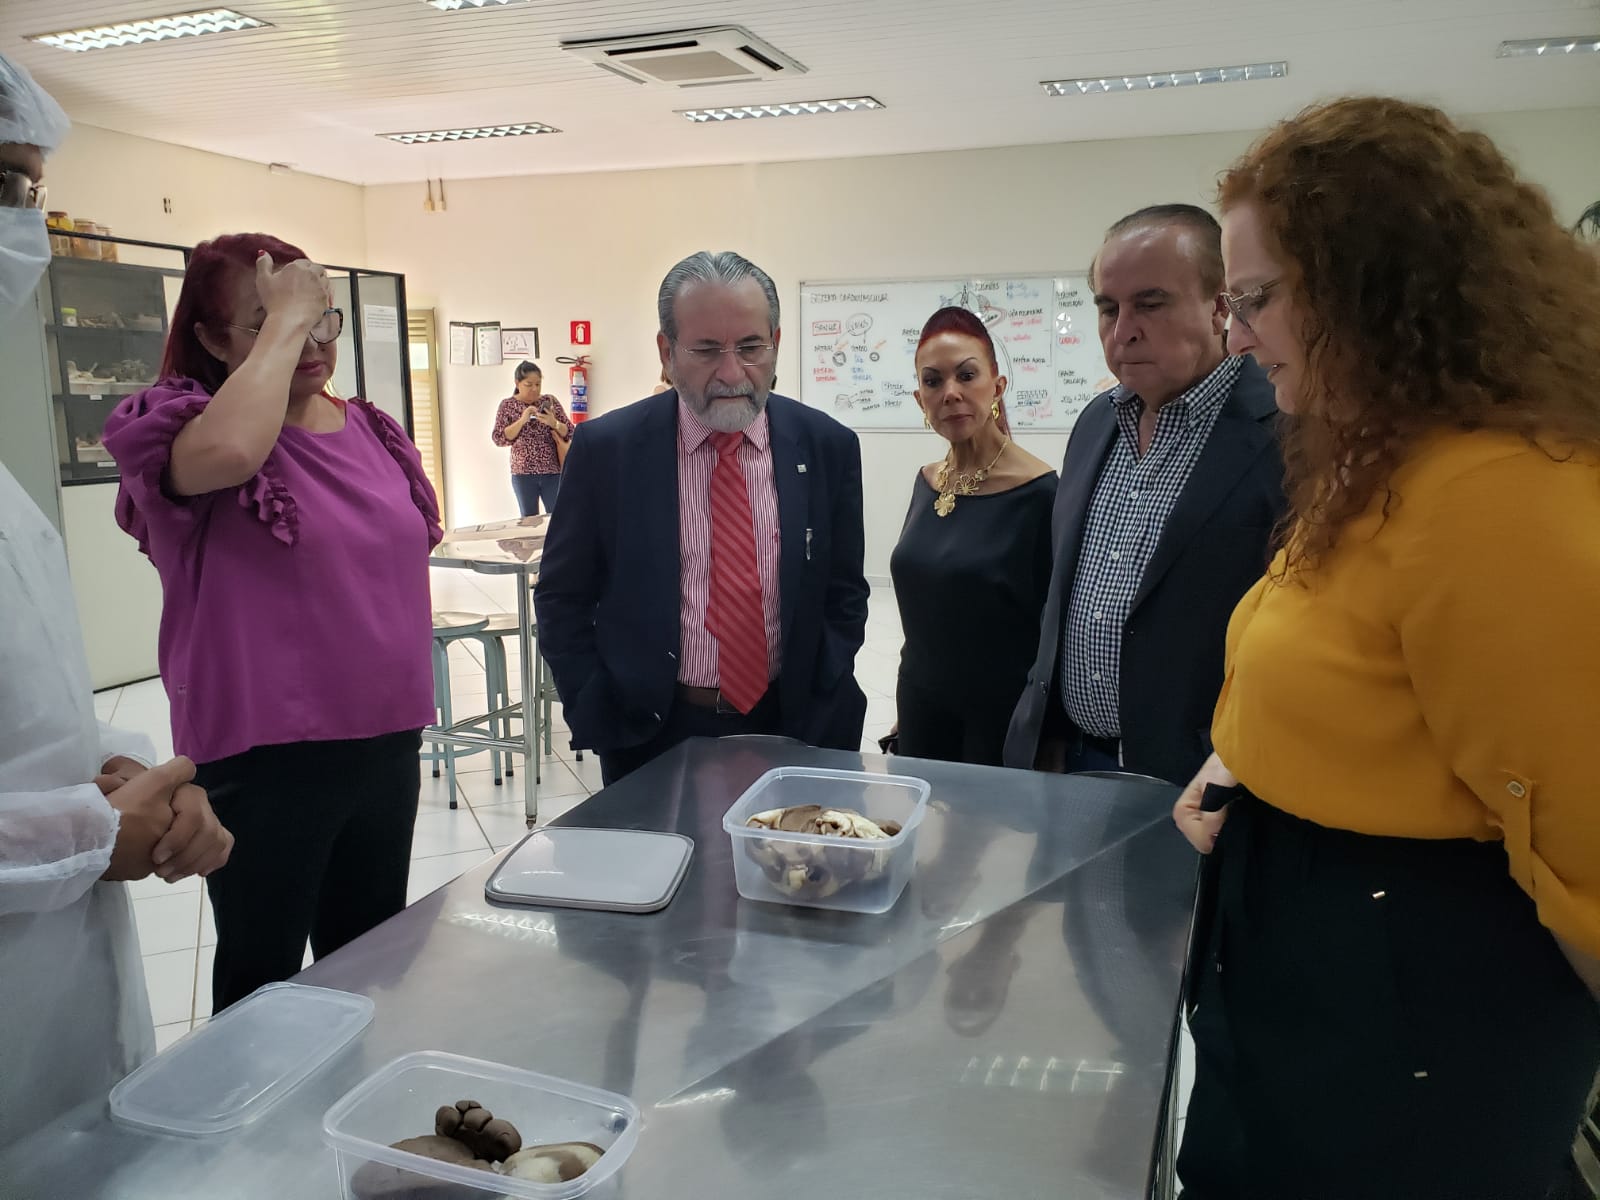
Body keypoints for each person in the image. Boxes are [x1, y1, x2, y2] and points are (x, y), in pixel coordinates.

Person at [1172, 96, 1600, 1200]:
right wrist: (1238, 763)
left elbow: (1584, 846)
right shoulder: (1383, 456)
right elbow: (1355, 667)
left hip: (1408, 1020)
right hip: (1306, 967)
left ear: (1373, 287)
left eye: (1257, 299)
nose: (1236, 335)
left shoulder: (1499, 494)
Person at [102, 232, 443, 1013]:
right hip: (266, 756)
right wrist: (286, 322)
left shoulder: (371, 429)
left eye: (321, 317)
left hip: (385, 739)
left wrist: (285, 322)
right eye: (269, 322)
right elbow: (231, 452)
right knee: (265, 986)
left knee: (368, 969)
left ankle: (355, 1090)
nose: (311, 341)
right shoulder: (182, 428)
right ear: (214, 340)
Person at [0, 53, 232, 1150]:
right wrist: (91, 833)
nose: (25, 230)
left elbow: (27, 705)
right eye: (5, 185)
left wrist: (115, 770)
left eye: (30, 192)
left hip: (56, 1006)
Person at [534, 250, 869, 785]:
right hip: (653, 733)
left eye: (751, 347)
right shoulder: (608, 451)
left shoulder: (827, 445)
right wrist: (595, 702)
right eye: (707, 350)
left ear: (776, 343)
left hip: (797, 724)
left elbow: (845, 590)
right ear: (666, 352)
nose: (732, 373)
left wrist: (825, 684)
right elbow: (561, 596)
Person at [1003, 204, 1285, 784]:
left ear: (1219, 307)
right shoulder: (1095, 423)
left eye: (1150, 304)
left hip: (1199, 779)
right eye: (1109, 308)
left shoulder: (1287, 435)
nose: (1122, 330)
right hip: (1070, 760)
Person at [889, 306, 1056, 765]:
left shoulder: (1039, 493)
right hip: (920, 706)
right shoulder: (927, 482)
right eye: (933, 381)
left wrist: (1050, 733)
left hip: (998, 719)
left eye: (966, 375)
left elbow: (1054, 633)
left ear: (997, 387)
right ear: (919, 399)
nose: (951, 393)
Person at [491, 360, 572, 517]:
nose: (534, 389)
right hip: (523, 474)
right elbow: (499, 438)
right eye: (529, 385)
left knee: (558, 517)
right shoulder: (507, 405)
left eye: (538, 384)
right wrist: (522, 420)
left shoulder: (550, 401)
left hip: (552, 472)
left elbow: (570, 431)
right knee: (528, 519)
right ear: (517, 383)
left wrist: (554, 423)